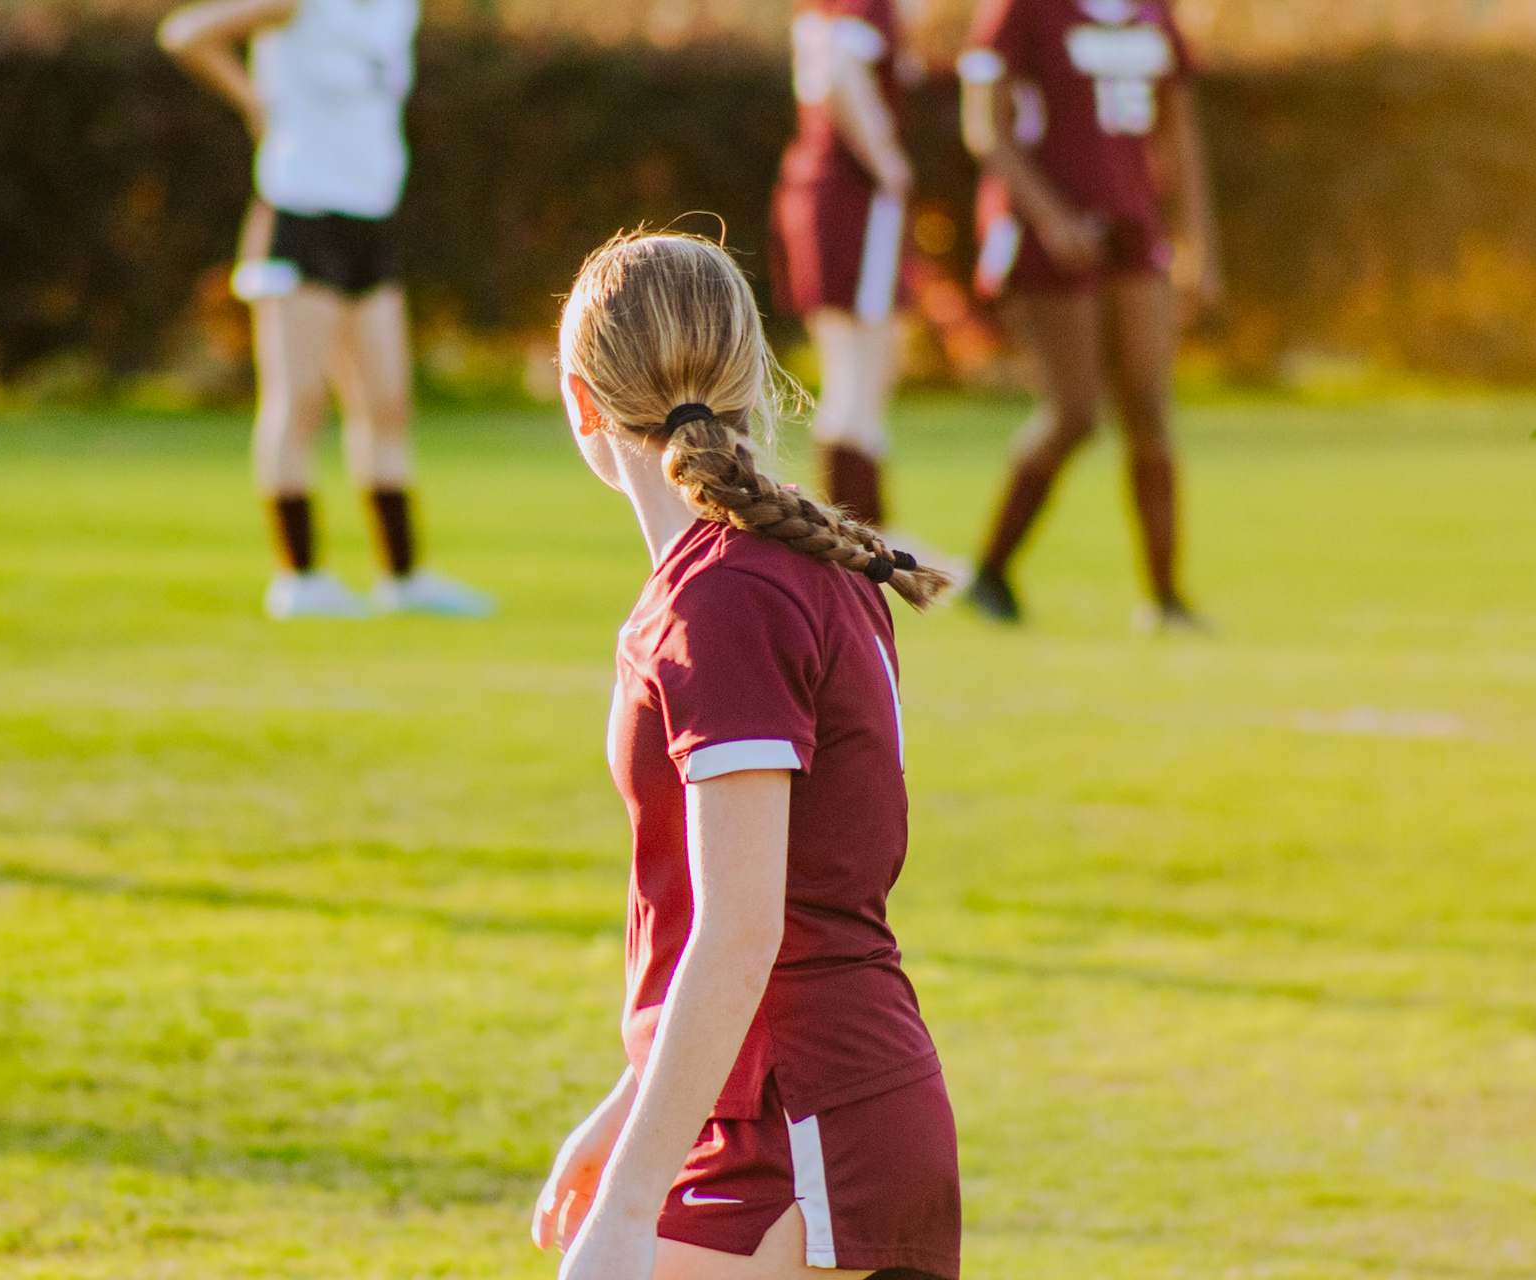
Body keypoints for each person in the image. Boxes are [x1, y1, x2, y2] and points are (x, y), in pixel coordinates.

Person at [532, 231, 961, 1280]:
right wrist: (626, 1111)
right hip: (809, 1110)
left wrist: (630, 1206)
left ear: (582, 403)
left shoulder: (723, 598)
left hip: (802, 1126)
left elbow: (744, 926)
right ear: (751, 377)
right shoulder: (777, 568)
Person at [159, 0, 491, 618]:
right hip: (301, 215)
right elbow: (185, 34)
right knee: (301, 399)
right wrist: (253, 101)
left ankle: (402, 578)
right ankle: (300, 578)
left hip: (370, 219)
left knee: (387, 403)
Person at [956, 0, 1221, 628]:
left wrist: (1199, 242)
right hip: (1047, 233)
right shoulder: (1020, 11)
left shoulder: (1154, 12)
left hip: (1134, 226)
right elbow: (986, 128)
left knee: (1148, 406)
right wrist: (1052, 218)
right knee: (1074, 413)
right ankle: (991, 571)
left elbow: (1179, 133)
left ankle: (1166, 598)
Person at [769, 0, 918, 533]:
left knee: (850, 374)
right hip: (854, 197)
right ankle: (865, 534)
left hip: (816, 192)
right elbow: (840, 72)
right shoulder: (866, 7)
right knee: (863, 373)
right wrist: (885, 156)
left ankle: (850, 532)